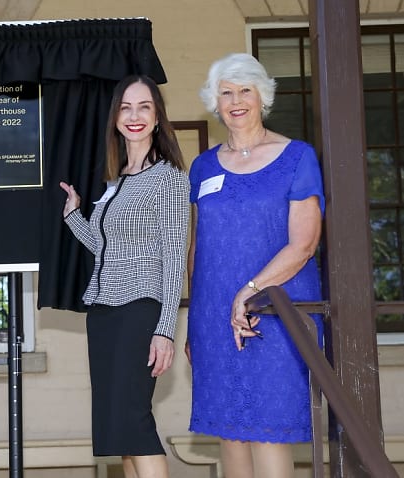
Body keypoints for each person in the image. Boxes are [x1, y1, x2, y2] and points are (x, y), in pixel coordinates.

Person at [186, 53, 325, 478]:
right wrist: (194, 323)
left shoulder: (297, 157)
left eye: (245, 90)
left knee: (269, 432)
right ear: (214, 102)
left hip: (276, 311)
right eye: (226, 92)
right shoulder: (203, 166)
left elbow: (304, 244)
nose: (236, 101)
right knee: (230, 435)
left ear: (262, 96)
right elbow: (198, 248)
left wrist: (250, 290)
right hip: (215, 317)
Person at [60, 75, 190, 478]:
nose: (134, 116)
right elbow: (107, 248)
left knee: (134, 421)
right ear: (115, 117)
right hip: (104, 313)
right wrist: (74, 216)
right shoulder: (117, 180)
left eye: (144, 107)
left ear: (157, 117)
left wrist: (165, 330)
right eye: (125, 107)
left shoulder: (168, 177)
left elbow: (174, 256)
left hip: (140, 310)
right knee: (119, 428)